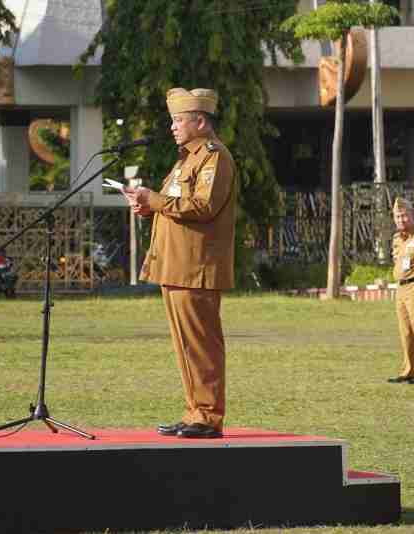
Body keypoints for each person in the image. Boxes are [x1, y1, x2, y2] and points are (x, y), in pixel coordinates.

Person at [123, 88, 236, 439]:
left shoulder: (214, 157)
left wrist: (154, 200)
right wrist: (146, 205)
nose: (172, 127)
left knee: (201, 345)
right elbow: (174, 204)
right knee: (186, 346)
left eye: (178, 120)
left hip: (195, 267)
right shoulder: (185, 160)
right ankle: (194, 412)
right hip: (176, 266)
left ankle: (208, 417)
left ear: (200, 122)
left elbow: (202, 207)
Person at [387, 197, 414, 384]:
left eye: (404, 216)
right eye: (397, 217)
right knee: (405, 331)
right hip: (401, 287)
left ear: (413, 216)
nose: (401, 220)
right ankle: (408, 369)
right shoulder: (397, 239)